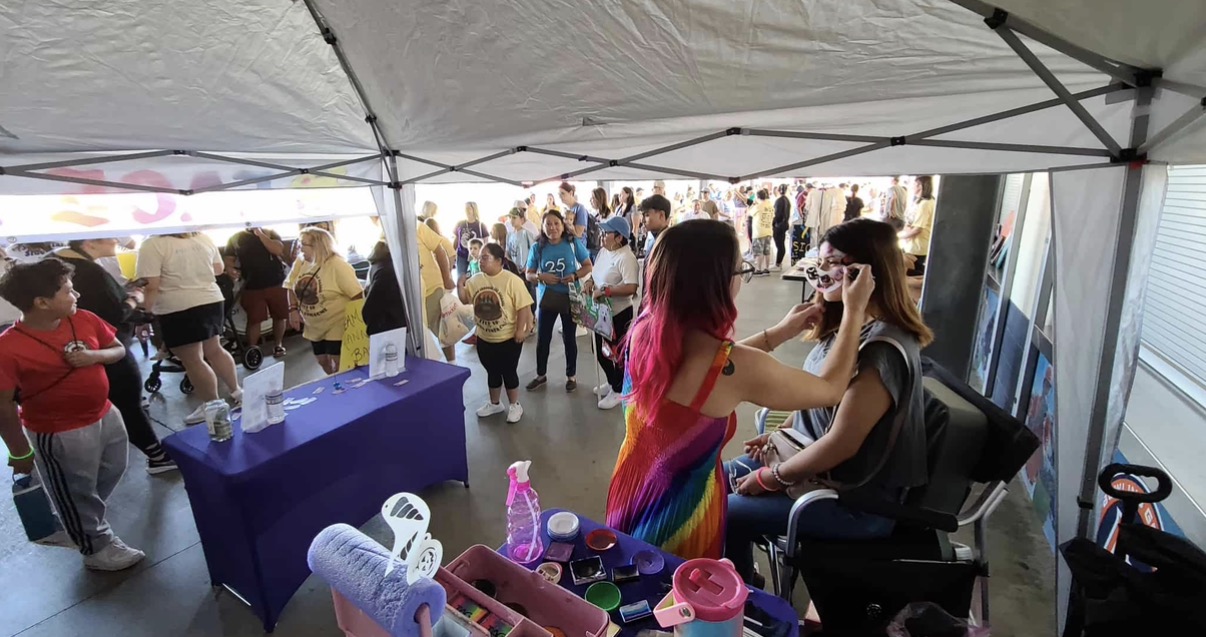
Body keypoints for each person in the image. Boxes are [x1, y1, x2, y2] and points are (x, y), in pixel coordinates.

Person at [604, 219, 874, 560]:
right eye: (739, 271)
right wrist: (854, 310)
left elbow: (708, 369)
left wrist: (778, 333)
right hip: (681, 514)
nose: (741, 280)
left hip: (634, 483)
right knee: (680, 598)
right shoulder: (734, 367)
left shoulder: (646, 330)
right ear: (715, 284)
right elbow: (830, 388)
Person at [724, 218, 933, 583]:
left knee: (725, 511)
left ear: (867, 272)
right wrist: (783, 433)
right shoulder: (850, 330)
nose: (821, 273)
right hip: (816, 474)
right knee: (714, 482)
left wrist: (771, 476)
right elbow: (821, 403)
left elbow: (842, 442)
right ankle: (743, 576)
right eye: (820, 263)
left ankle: (744, 598)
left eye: (833, 264)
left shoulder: (881, 351)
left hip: (855, 502)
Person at [0, 259, 147, 569]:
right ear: (42, 302)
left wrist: (92, 357)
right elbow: (4, 407)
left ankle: (77, 516)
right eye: (68, 290)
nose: (76, 294)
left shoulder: (84, 319)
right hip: (59, 431)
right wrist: (19, 452)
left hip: (105, 413)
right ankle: (95, 547)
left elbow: (118, 349)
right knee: (76, 489)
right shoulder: (8, 348)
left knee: (112, 469)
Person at [54, 240, 175, 474]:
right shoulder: (88, 273)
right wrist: (135, 297)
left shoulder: (57, 261)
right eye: (111, 236)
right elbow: (116, 313)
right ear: (90, 242)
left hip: (81, 346)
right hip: (101, 346)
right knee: (127, 402)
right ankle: (157, 456)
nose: (117, 241)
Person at [137, 232, 242, 425]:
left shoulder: (152, 245)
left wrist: (144, 316)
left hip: (178, 306)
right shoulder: (202, 237)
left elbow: (151, 285)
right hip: (210, 299)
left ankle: (212, 405)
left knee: (193, 359)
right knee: (215, 349)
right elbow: (218, 269)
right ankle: (237, 391)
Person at [458, 243, 534, 423]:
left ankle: (515, 405)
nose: (481, 260)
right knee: (492, 371)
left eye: (485, 257)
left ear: (499, 261)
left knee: (508, 371)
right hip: (485, 337)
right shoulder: (476, 280)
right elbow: (465, 300)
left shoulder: (512, 280)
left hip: (508, 337)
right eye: (480, 257)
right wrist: (460, 285)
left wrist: (520, 330)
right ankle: (495, 403)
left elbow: (523, 307)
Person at [525, 210, 592, 392]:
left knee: (569, 338)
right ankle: (541, 375)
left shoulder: (572, 243)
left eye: (556, 223)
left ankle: (571, 376)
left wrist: (574, 275)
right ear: (543, 226)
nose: (552, 227)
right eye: (548, 224)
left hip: (570, 297)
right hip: (548, 299)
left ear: (563, 225)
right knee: (543, 338)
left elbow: (587, 265)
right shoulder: (538, 247)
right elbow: (528, 274)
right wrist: (540, 276)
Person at [285, 227, 364, 374]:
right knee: (322, 361)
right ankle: (334, 381)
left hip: (337, 323)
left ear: (318, 246)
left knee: (338, 361)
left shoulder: (337, 265)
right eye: (299, 244)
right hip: (314, 325)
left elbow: (358, 295)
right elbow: (290, 285)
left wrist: (356, 325)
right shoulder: (301, 262)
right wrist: (292, 309)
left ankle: (344, 388)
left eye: (304, 244)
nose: (299, 248)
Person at [586, 216, 639, 410]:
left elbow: (631, 287)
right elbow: (595, 274)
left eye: (607, 233)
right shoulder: (603, 252)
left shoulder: (626, 257)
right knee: (600, 350)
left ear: (618, 237)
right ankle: (612, 381)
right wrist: (590, 283)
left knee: (616, 353)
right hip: (602, 311)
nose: (602, 236)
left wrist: (607, 291)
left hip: (619, 313)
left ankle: (618, 390)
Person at [224, 227, 290, 358]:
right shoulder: (236, 237)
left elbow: (277, 249)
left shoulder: (271, 232)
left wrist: (261, 234)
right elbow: (228, 258)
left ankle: (278, 345)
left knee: (280, 315)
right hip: (251, 284)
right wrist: (230, 268)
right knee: (254, 319)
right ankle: (252, 350)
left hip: (276, 282)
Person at [418, 212, 457, 362]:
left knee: (443, 329)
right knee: (419, 335)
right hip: (410, 296)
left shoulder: (419, 227)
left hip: (432, 289)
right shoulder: (386, 233)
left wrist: (447, 279)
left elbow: (440, 250)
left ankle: (452, 364)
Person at [361, 240, 408, 337]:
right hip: (390, 325)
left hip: (382, 325)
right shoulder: (387, 271)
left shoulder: (375, 266)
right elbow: (372, 304)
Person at [899, 175, 936, 275]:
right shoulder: (918, 201)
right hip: (911, 245)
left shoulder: (925, 204)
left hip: (917, 247)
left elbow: (918, 229)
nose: (912, 187)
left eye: (914, 184)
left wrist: (898, 237)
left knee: (913, 274)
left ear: (920, 185)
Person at [454, 202, 489, 277]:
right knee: (461, 278)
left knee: (476, 278)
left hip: (476, 258)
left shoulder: (481, 225)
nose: (467, 210)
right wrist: (453, 253)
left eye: (469, 208)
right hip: (462, 255)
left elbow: (486, 243)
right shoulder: (460, 224)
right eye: (465, 208)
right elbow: (456, 239)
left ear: (474, 210)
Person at [750, 189, 775, 275]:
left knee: (759, 251)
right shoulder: (770, 205)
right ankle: (766, 268)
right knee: (766, 251)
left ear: (757, 197)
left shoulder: (757, 206)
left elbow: (749, 213)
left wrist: (752, 205)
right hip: (768, 230)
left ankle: (758, 269)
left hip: (759, 231)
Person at [773, 184, 792, 270]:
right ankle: (779, 263)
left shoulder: (779, 201)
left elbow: (777, 214)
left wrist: (773, 223)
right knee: (781, 244)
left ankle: (778, 263)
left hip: (778, 225)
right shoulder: (787, 200)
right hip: (784, 225)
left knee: (779, 244)